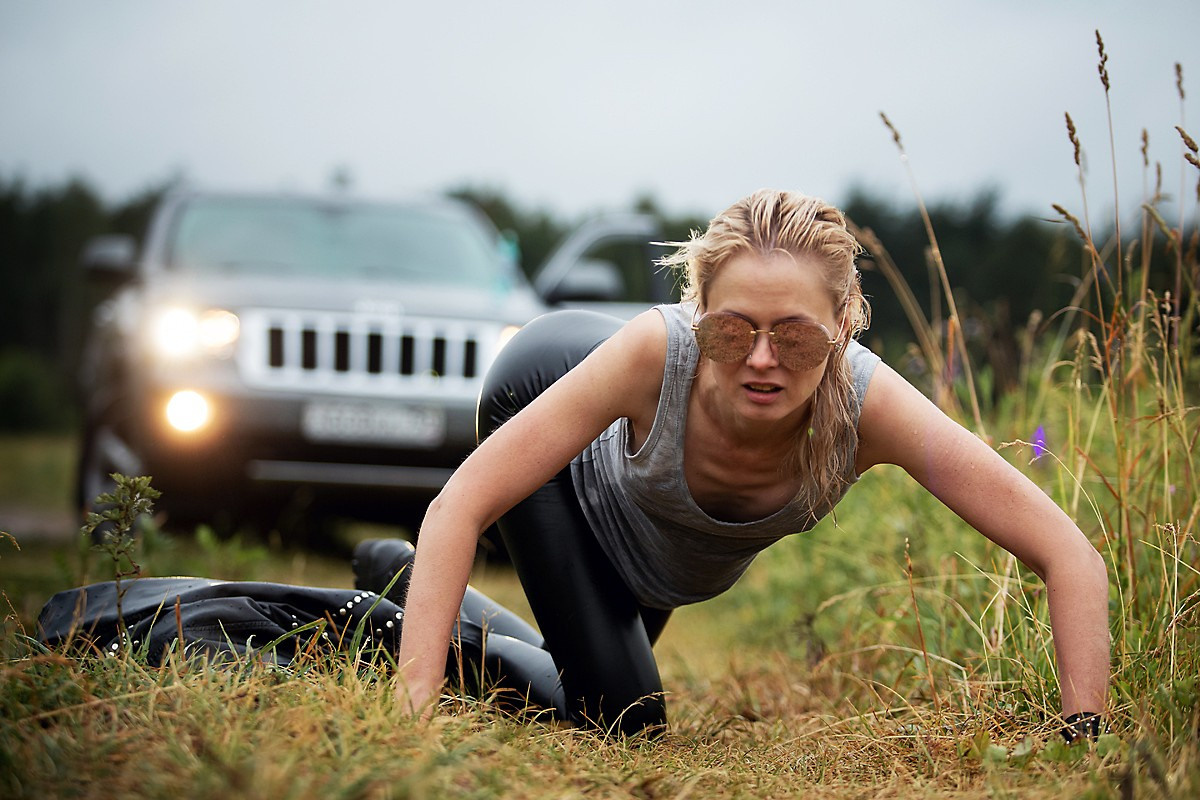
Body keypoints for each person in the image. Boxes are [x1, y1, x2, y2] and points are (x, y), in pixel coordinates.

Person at [393, 188, 1110, 738]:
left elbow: (1068, 556)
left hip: (652, 554)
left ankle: (405, 578)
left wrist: (1082, 740)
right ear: (697, 312)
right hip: (541, 388)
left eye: (795, 336)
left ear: (841, 327)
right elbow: (460, 504)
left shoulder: (870, 408)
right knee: (619, 713)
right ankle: (378, 618)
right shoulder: (656, 355)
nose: (763, 360)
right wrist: (413, 715)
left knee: (581, 676)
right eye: (732, 331)